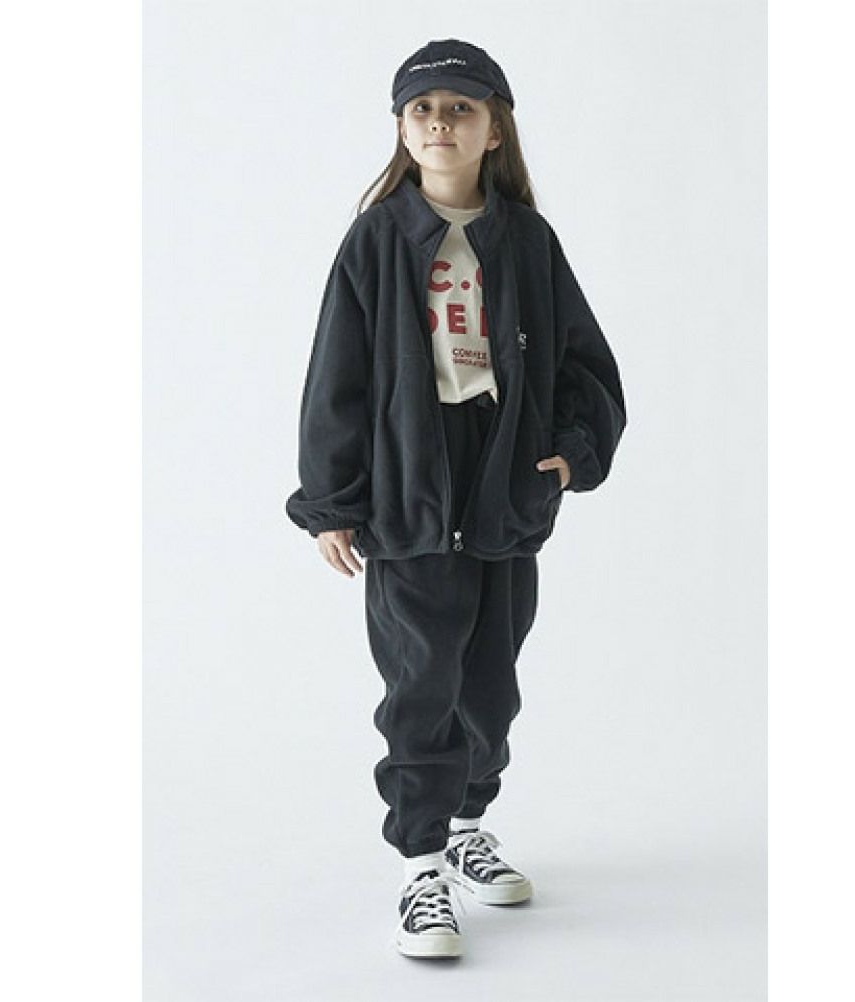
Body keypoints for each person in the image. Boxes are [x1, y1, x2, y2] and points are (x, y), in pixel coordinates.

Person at [285, 38, 627, 959]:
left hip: (503, 478)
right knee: (420, 682)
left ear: (494, 130)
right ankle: (421, 865)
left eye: (461, 108)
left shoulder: (529, 241)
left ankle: (468, 826)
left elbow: (586, 365)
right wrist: (332, 501)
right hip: (409, 480)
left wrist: (568, 455)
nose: (440, 122)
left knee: (490, 684)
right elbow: (336, 378)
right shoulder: (375, 241)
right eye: (423, 109)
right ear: (402, 130)